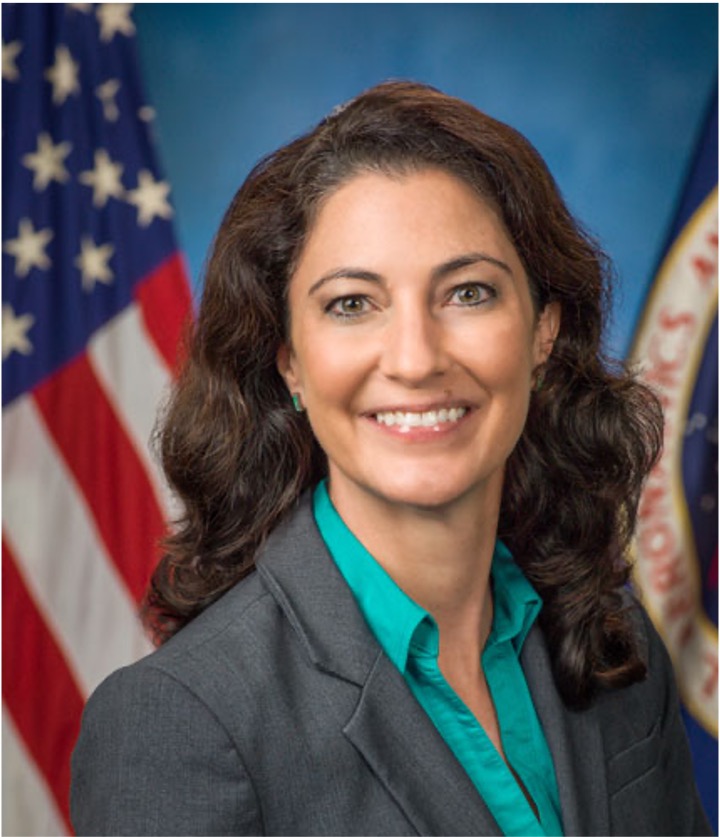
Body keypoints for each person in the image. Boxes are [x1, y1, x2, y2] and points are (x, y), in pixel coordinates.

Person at [70, 81, 710, 836]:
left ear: (543, 332)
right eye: (351, 303)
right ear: (290, 363)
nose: (414, 358)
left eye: (468, 293)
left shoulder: (613, 640)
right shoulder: (182, 721)